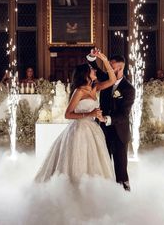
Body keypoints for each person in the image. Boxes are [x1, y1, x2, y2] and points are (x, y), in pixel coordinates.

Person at [35, 51, 116, 183]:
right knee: (78, 159)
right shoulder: (79, 91)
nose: (95, 70)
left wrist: (104, 59)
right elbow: (68, 114)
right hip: (79, 130)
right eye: (91, 69)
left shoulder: (94, 88)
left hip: (93, 129)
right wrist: (89, 114)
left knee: (93, 160)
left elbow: (112, 80)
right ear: (85, 74)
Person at [87, 48, 135, 192]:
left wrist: (106, 118)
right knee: (104, 162)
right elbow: (93, 65)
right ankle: (105, 191)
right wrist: (93, 55)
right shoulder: (106, 79)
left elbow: (124, 114)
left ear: (119, 67)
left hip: (120, 132)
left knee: (120, 166)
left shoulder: (128, 89)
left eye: (111, 66)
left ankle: (124, 192)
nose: (108, 68)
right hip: (103, 130)